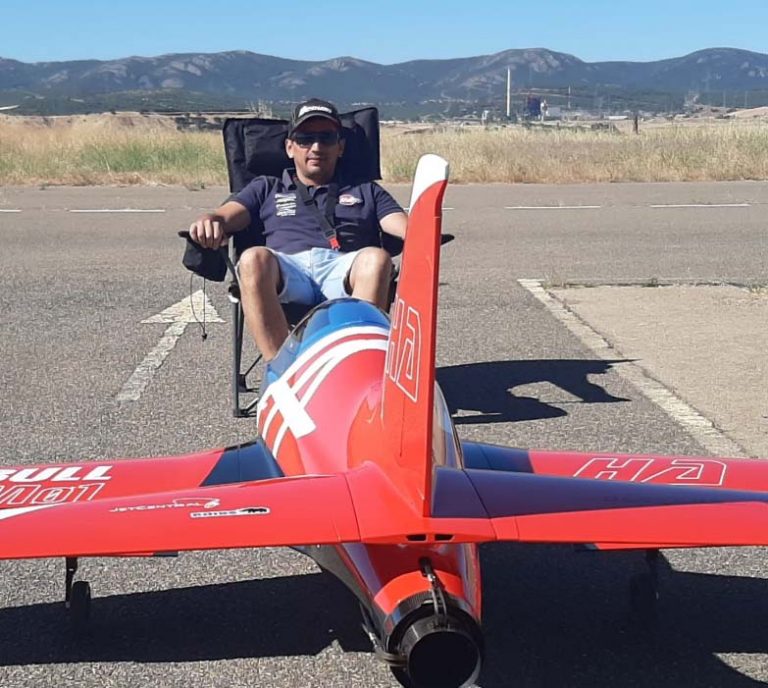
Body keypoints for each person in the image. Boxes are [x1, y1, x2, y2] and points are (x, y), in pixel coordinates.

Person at [188, 98, 408, 361]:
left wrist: (424, 227)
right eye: (305, 139)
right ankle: (286, 370)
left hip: (344, 270)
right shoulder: (266, 186)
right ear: (290, 148)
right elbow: (225, 216)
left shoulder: (365, 189)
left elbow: (404, 226)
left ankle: (351, 365)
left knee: (377, 258)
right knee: (252, 258)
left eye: (326, 138)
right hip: (287, 271)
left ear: (340, 147)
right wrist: (210, 220)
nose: (316, 147)